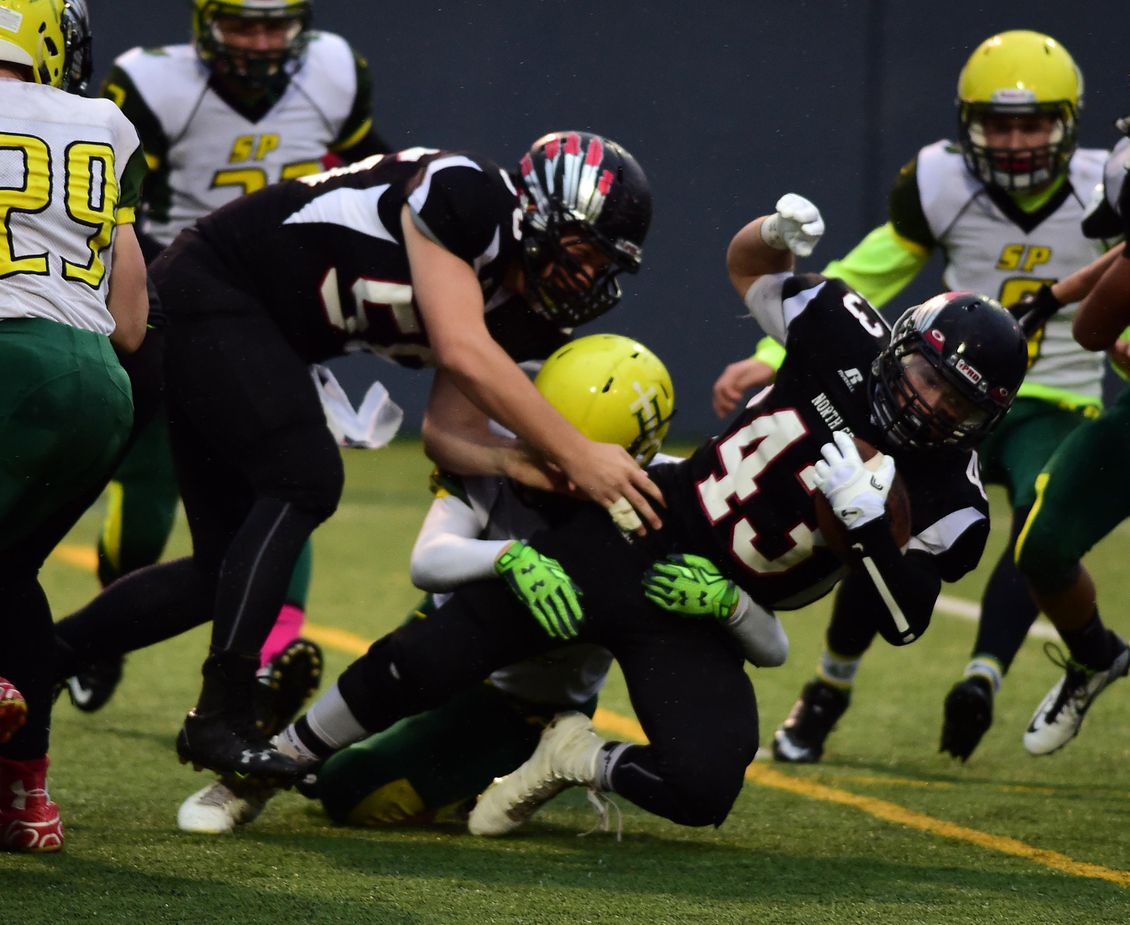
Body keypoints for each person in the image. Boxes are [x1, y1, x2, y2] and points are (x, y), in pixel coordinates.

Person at [247, 194, 1025, 837]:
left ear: (979, 421)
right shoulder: (840, 327)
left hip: (707, 611)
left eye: (955, 402)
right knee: (431, 653)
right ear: (902, 346)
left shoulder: (951, 498)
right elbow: (749, 267)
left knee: (706, 784)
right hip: (648, 523)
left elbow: (904, 620)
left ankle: (571, 754)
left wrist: (862, 530)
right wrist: (771, 232)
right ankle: (274, 756)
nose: (929, 401)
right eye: (928, 375)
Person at [50, 130, 657, 784]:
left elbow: (447, 435)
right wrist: (578, 452)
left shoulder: (525, 309)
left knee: (219, 570)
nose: (588, 276)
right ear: (537, 213)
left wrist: (518, 462)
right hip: (211, 284)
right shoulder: (466, 195)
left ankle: (40, 657)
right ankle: (224, 713)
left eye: (604, 266)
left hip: (254, 330)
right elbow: (459, 348)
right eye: (580, 252)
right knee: (306, 480)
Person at [176, 334, 789, 833]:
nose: (560, 462)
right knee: (416, 653)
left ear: (638, 455)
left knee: (351, 795)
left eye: (583, 452)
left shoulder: (673, 493)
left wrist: (730, 602)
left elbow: (775, 646)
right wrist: (510, 557)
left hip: (524, 699)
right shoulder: (502, 462)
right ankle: (272, 762)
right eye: (550, 437)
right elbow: (431, 560)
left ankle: (506, 771)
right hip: (462, 617)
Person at [717, 31, 1116, 764]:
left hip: (1055, 399)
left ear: (1068, 124)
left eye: (1033, 124)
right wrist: (774, 349)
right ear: (969, 127)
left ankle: (982, 675)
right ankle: (830, 686)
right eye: (1000, 125)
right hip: (935, 400)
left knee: (1040, 524)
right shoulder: (942, 182)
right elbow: (869, 268)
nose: (1019, 141)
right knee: (875, 510)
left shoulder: (1106, 190)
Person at [64, 0, 389, 714]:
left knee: (286, 470)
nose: (263, 41)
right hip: (177, 284)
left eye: (276, 24)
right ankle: (106, 628)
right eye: (244, 24)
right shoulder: (151, 85)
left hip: (279, 299)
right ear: (206, 23)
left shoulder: (335, 72)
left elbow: (371, 173)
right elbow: (112, 196)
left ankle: (271, 655)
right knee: (149, 482)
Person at [1015, 8, 1130, 755]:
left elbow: (1099, 326)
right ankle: (1096, 658)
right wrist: (1051, 296)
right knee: (1045, 540)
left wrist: (1081, 317)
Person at [0, 0, 148, 852]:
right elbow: (131, 321)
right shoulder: (106, 123)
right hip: (100, 386)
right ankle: (27, 800)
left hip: (7, 361)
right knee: (11, 576)